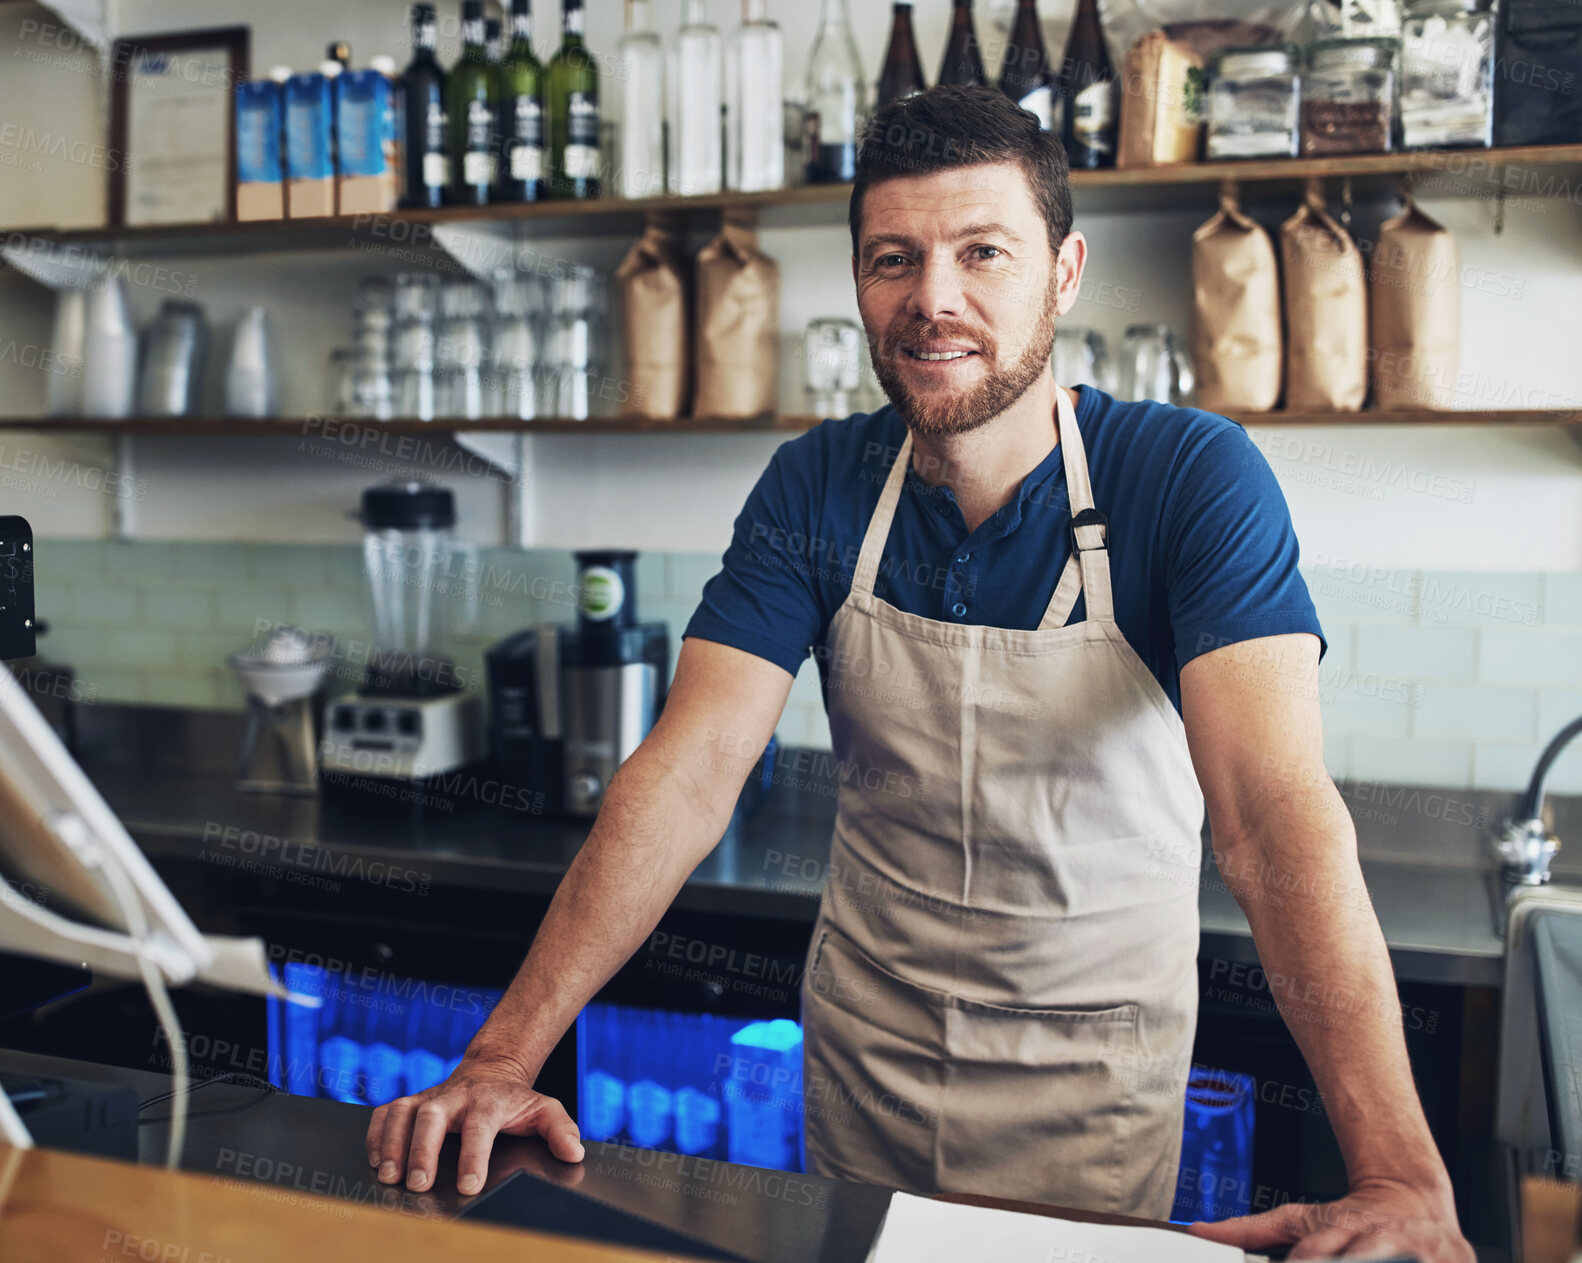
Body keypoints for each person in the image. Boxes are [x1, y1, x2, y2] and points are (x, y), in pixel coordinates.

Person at [367, 85, 1473, 1260]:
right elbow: (687, 775)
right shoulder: (817, 485)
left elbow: (1270, 818)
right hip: (866, 1069)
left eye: (981, 252)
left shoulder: (1187, 477)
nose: (931, 298)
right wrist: (498, 1062)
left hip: (1089, 1086)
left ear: (1063, 271)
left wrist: (1396, 1170)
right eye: (892, 259)